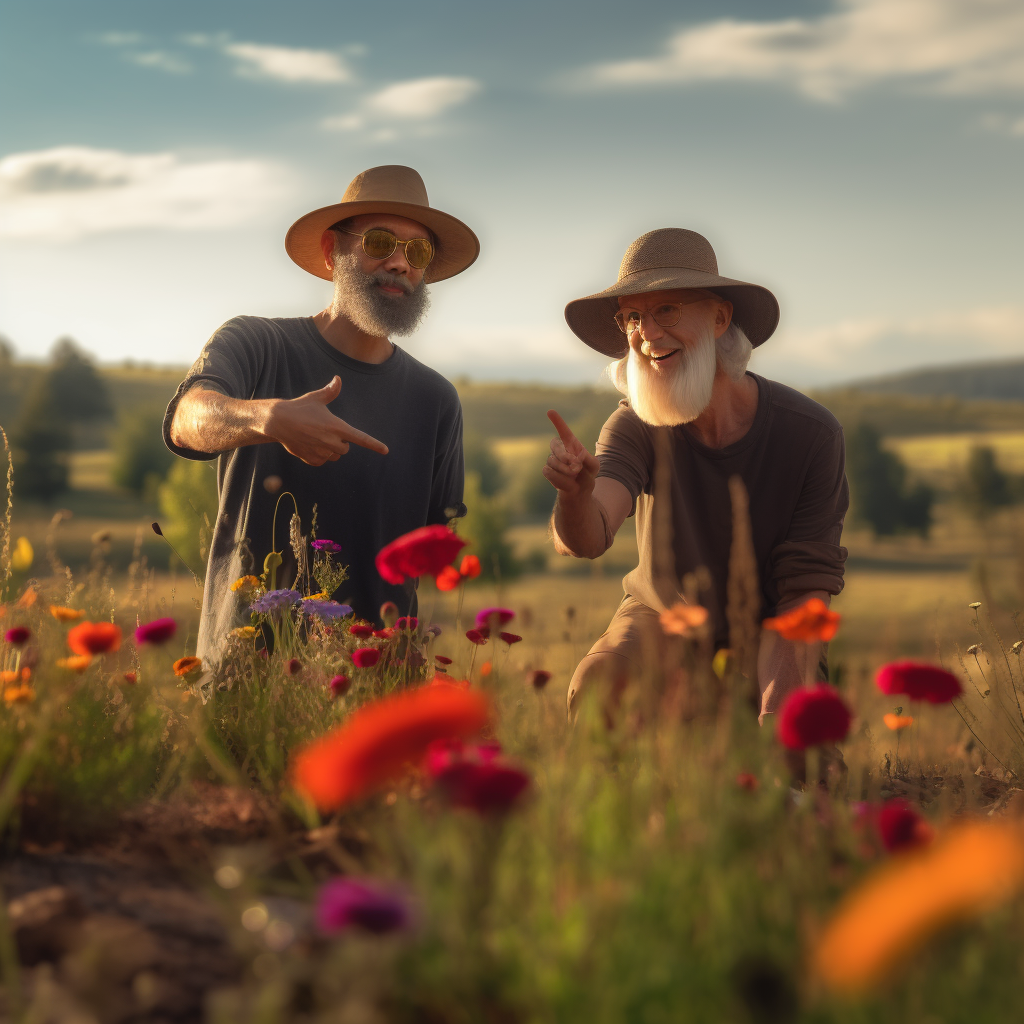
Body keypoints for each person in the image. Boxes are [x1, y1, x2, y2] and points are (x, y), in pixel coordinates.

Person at [164, 165, 478, 667]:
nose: (400, 263)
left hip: (373, 677)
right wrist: (269, 419)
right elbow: (187, 418)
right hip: (248, 672)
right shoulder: (257, 343)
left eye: (417, 251)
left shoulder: (435, 400)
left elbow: (438, 543)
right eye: (380, 242)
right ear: (334, 251)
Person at [544, 228, 848, 722]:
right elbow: (589, 538)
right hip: (662, 620)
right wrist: (575, 497)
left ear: (720, 317)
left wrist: (776, 718)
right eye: (633, 318)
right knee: (600, 684)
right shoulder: (634, 425)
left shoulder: (811, 434)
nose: (648, 335)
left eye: (667, 309)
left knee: (792, 760)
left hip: (772, 630)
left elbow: (804, 594)